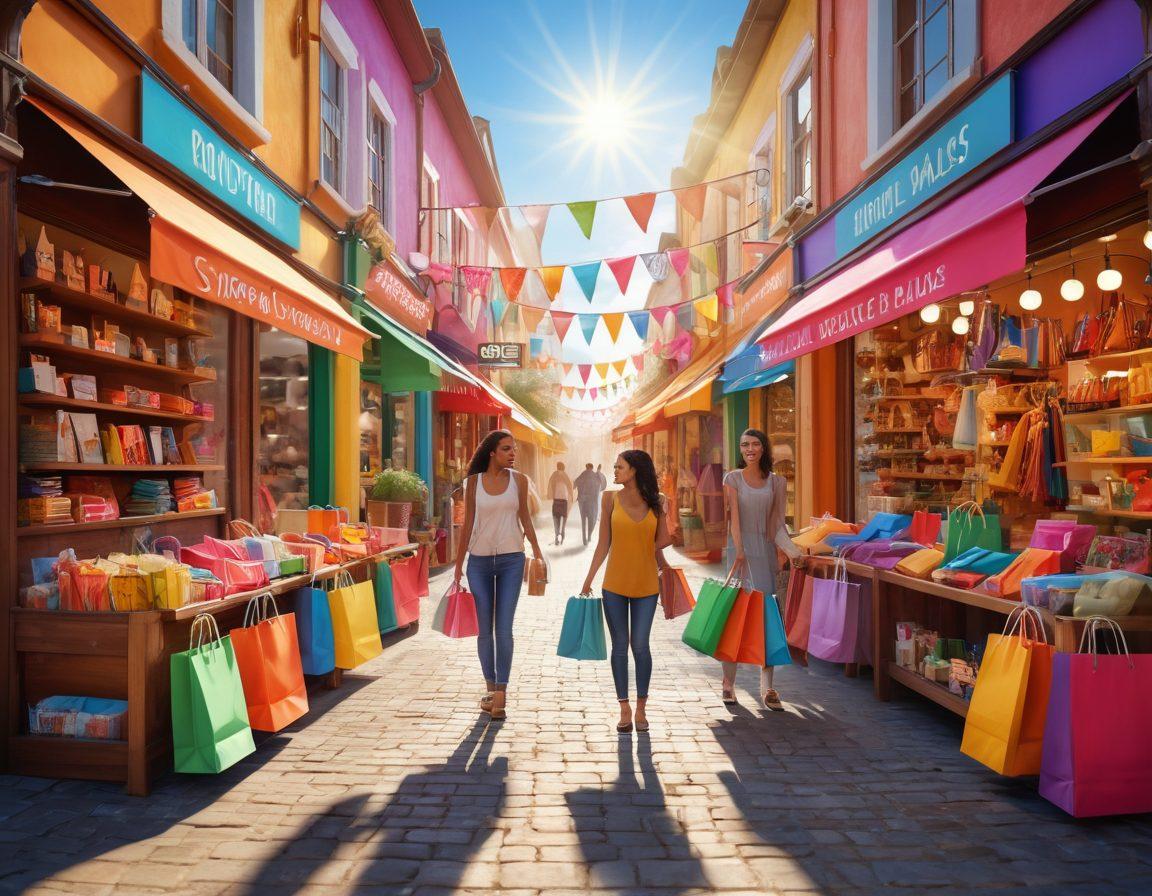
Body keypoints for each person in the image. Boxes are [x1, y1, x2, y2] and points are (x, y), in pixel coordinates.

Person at [581, 450, 673, 734]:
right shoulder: (609, 499)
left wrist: (664, 512)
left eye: (619, 467)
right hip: (614, 586)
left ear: (634, 470)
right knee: (620, 646)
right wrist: (588, 580)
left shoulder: (656, 502)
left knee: (641, 645)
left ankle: (642, 708)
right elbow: (602, 544)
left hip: (646, 584)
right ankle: (624, 708)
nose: (615, 471)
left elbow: (663, 541)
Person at [454, 430, 544, 720]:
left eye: (514, 449)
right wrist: (458, 565)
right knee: (485, 630)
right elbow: (467, 525)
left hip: (511, 561)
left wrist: (539, 554)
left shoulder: (519, 481)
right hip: (478, 562)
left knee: (504, 627)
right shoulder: (472, 484)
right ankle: (491, 689)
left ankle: (501, 694)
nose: (512, 454)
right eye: (506, 449)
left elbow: (526, 520)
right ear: (492, 452)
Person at [721, 429, 804, 711]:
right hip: (739, 554)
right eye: (744, 444)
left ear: (764, 448)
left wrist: (793, 553)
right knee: (734, 618)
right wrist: (740, 551)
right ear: (740, 449)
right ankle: (728, 684)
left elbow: (776, 526)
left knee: (767, 620)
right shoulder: (732, 478)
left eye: (755, 444)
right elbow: (733, 520)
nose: (750, 449)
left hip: (765, 555)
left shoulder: (777, 483)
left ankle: (768, 688)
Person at [573, 463, 602, 546]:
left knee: (583, 521)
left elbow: (574, 485)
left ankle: (584, 539)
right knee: (591, 520)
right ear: (592, 468)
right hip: (592, 502)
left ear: (586, 467)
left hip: (582, 502)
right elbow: (601, 484)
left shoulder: (582, 475)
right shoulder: (595, 476)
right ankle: (589, 536)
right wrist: (599, 471)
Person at [547, 462, 574, 545]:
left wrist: (550, 496)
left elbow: (550, 486)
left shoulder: (554, 475)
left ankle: (556, 536)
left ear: (557, 467)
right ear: (564, 467)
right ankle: (562, 531)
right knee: (564, 518)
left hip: (556, 501)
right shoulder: (566, 476)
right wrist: (571, 497)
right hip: (564, 501)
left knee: (556, 519)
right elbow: (570, 487)